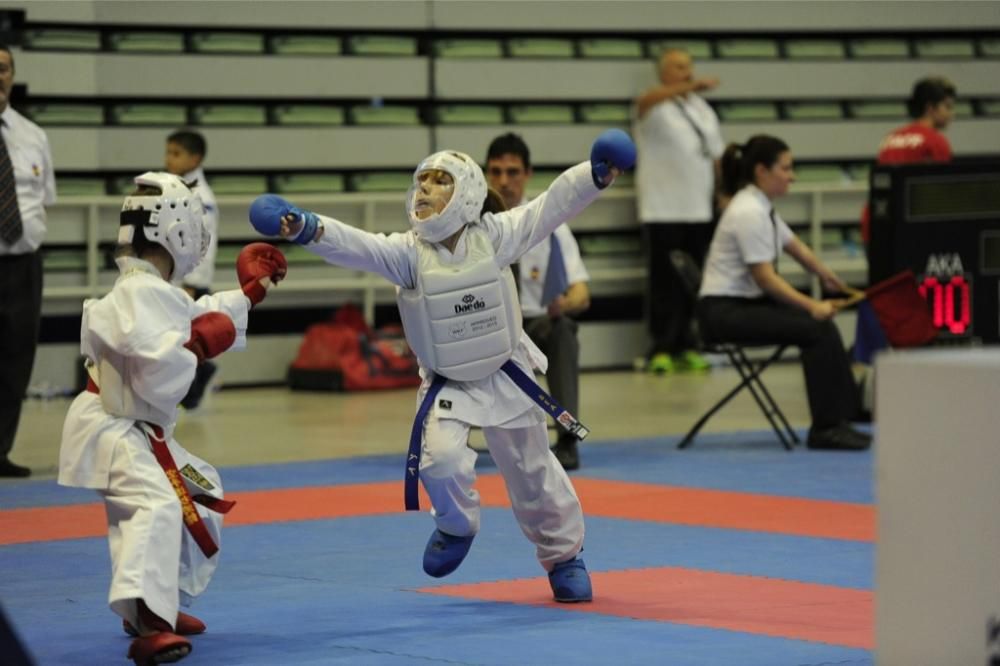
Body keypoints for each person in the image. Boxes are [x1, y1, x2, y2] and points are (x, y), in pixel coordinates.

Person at [248, 130, 636, 602]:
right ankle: (456, 525)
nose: (426, 189)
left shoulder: (495, 237)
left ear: (468, 193)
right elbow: (356, 246)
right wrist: (306, 227)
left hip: (507, 372)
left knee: (534, 471)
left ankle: (564, 557)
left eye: (440, 181)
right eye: (422, 180)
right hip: (448, 383)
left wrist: (594, 176)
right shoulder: (408, 254)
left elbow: (549, 207)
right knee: (439, 460)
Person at [58, 172, 287, 665]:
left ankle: (156, 604)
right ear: (178, 230)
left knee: (200, 496)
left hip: (138, 427)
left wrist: (246, 293)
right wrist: (200, 344)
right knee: (157, 508)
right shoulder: (138, 292)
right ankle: (150, 625)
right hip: (115, 427)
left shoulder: (153, 288)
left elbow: (192, 314)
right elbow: (158, 363)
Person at [696, 135, 870, 451]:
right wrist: (813, 304)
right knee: (816, 328)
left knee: (820, 327)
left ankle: (843, 416)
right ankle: (827, 428)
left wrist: (828, 277)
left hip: (738, 307)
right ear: (762, 171)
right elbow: (765, 279)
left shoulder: (759, 206)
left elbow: (795, 247)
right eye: (786, 168)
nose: (792, 176)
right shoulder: (749, 211)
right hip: (724, 314)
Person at [485, 132, 590, 471]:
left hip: (534, 326)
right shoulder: (471, 229)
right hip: (485, 329)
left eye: (513, 172)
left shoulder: (552, 226)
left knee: (563, 331)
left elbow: (581, 293)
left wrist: (566, 304)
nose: (504, 181)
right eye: (496, 172)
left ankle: (568, 438)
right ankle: (446, 438)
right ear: (486, 175)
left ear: (528, 174)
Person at [634, 48, 725, 375]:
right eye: (678, 67)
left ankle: (688, 343)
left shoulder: (702, 110)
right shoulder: (654, 105)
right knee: (663, 281)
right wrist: (689, 88)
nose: (686, 72)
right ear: (663, 72)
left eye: (688, 66)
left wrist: (722, 192)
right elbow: (645, 101)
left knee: (693, 280)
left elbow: (716, 155)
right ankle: (661, 347)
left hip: (698, 207)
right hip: (662, 208)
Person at [0, 44, 56, 478]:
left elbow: (43, 200)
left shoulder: (31, 135)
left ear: (12, 75)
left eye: (2, 69)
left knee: (16, 360)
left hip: (23, 265)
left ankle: (0, 450)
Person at [860, 76, 956, 249]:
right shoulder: (936, 142)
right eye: (947, 107)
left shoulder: (890, 137)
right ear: (930, 108)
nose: (951, 114)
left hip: (876, 224)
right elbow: (942, 194)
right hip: (911, 231)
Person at [165, 129, 220, 410]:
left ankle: (197, 381)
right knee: (180, 336)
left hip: (190, 281)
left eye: (176, 154)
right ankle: (201, 374)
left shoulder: (200, 196)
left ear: (195, 158)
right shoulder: (177, 187)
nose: (168, 159)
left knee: (185, 338)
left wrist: (194, 282)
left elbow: (204, 243)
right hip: (176, 277)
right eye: (168, 152)